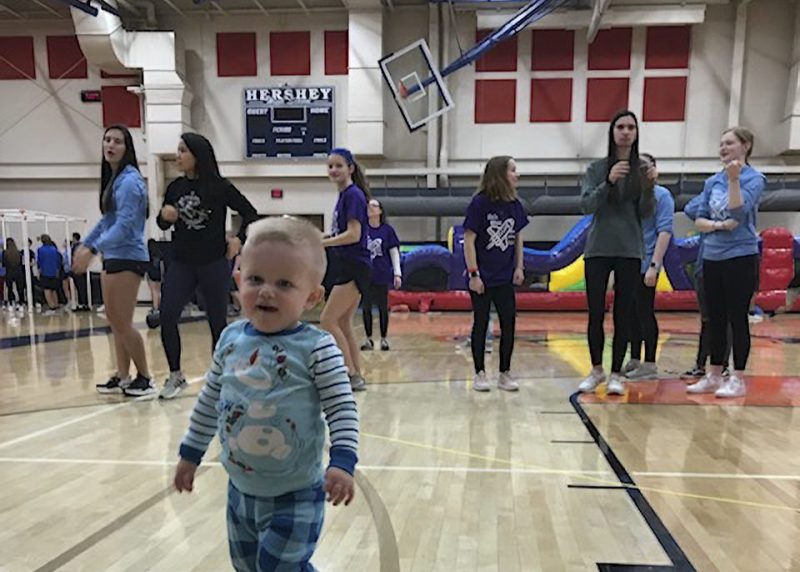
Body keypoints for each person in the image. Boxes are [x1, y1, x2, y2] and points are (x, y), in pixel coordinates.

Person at [173, 216, 359, 571]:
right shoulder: (230, 341)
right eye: (255, 279)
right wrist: (190, 454)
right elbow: (210, 402)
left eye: (285, 283)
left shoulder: (318, 348)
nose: (267, 291)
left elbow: (342, 409)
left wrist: (343, 461)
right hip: (239, 491)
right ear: (239, 279)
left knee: (276, 568)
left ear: (312, 297)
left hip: (297, 494)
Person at [156, 133, 259, 400]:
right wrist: (164, 217)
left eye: (183, 151)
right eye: (177, 150)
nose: (177, 156)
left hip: (212, 262)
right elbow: (163, 223)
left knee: (217, 321)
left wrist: (238, 238)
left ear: (197, 155)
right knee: (167, 314)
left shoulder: (219, 186)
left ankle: (220, 376)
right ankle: (175, 374)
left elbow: (250, 212)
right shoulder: (174, 188)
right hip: (181, 262)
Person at [578, 110, 656, 396]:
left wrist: (649, 188)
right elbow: (586, 206)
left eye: (631, 127)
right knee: (595, 311)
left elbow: (647, 213)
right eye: (620, 127)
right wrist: (608, 181)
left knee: (624, 314)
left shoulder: (642, 169)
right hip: (598, 248)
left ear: (636, 133)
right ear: (612, 132)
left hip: (629, 249)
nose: (625, 131)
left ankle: (616, 373)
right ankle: (596, 369)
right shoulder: (596, 168)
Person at [72, 124, 154, 396]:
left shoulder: (130, 181)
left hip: (128, 257)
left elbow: (125, 225)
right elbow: (108, 220)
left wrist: (93, 248)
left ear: (127, 147)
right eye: (107, 140)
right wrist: (86, 244)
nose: (110, 145)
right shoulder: (116, 179)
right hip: (114, 257)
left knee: (122, 322)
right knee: (116, 319)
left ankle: (145, 377)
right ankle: (123, 376)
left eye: (117, 141)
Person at [684, 127, 764, 398]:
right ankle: (714, 374)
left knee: (736, 317)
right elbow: (698, 218)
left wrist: (734, 181)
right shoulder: (712, 182)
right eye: (721, 144)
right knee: (714, 318)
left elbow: (738, 213)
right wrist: (718, 225)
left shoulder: (754, 178)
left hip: (740, 255)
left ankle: (737, 377)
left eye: (729, 143)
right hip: (712, 256)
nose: (723, 148)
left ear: (746, 146)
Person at [463, 155, 528, 392]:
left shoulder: (515, 205)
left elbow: (518, 238)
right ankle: (480, 372)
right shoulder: (479, 204)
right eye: (512, 170)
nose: (516, 175)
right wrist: (474, 274)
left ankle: (505, 372)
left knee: (509, 322)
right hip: (482, 275)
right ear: (500, 174)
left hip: (505, 275)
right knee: (481, 322)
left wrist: (519, 267)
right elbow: (468, 240)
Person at [320, 148, 372, 391]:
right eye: (330, 166)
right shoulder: (345, 196)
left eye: (338, 165)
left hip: (353, 265)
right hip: (350, 264)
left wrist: (325, 243)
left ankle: (349, 371)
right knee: (342, 322)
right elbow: (344, 232)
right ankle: (357, 374)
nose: (333, 170)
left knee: (327, 320)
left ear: (350, 168)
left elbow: (354, 235)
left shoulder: (353, 195)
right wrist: (328, 236)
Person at [623, 153, 674, 379]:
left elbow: (664, 231)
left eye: (646, 167)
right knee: (630, 312)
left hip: (647, 262)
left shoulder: (662, 196)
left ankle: (650, 362)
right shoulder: (631, 196)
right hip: (629, 261)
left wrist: (654, 265)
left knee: (644, 311)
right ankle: (634, 358)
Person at [682, 195, 732, 379]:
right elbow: (689, 209)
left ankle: (723, 365)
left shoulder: (738, 203)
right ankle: (701, 363)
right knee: (707, 319)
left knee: (725, 318)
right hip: (705, 266)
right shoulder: (709, 205)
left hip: (728, 265)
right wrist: (711, 194)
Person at [360, 199, 402, 351]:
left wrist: (397, 274)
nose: (370, 208)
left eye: (374, 206)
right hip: (365, 274)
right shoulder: (361, 229)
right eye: (369, 206)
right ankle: (368, 339)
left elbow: (394, 252)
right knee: (366, 308)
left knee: (383, 307)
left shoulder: (387, 231)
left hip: (382, 273)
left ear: (380, 211)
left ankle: (384, 338)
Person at [36, 234, 62, 315]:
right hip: (54, 272)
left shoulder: (40, 250)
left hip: (45, 271)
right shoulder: (54, 249)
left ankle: (51, 306)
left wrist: (39, 269)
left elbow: (39, 261)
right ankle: (56, 304)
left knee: (47, 289)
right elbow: (58, 261)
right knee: (54, 289)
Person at [2, 238, 25, 308]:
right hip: (18, 272)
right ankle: (21, 302)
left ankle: (11, 302)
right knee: (19, 288)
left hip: (9, 272)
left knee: (10, 288)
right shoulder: (19, 252)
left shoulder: (5, 253)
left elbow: (3, 264)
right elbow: (21, 263)